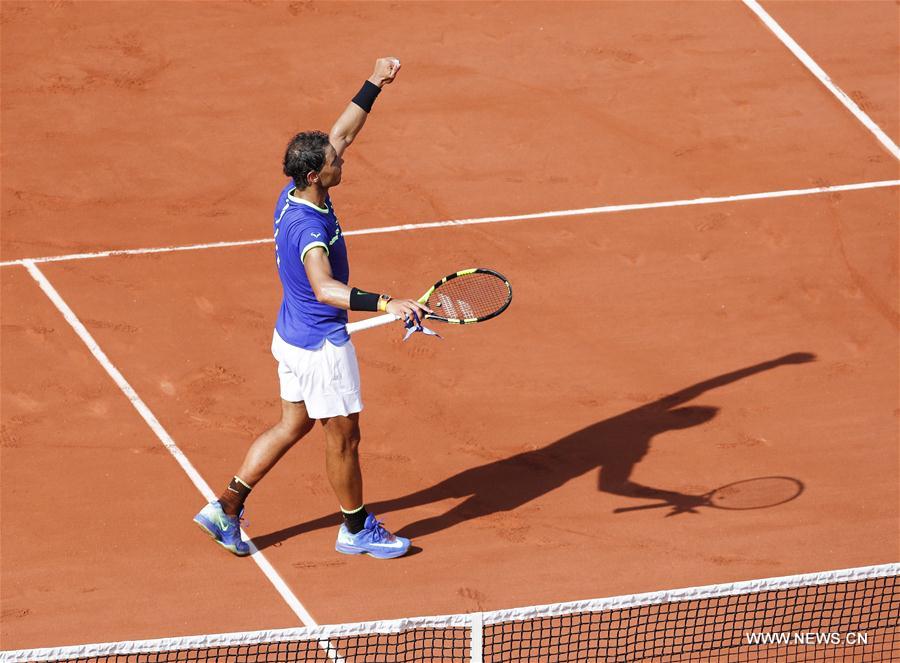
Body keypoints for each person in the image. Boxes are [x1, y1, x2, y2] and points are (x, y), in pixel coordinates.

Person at [194, 57, 429, 560]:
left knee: (292, 424)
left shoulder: (296, 191)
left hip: (290, 337)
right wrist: (388, 302)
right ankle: (355, 528)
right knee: (344, 437)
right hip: (321, 345)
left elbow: (342, 132)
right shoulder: (310, 231)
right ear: (315, 174)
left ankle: (225, 508)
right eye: (333, 162)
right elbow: (325, 288)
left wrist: (374, 81)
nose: (341, 160)